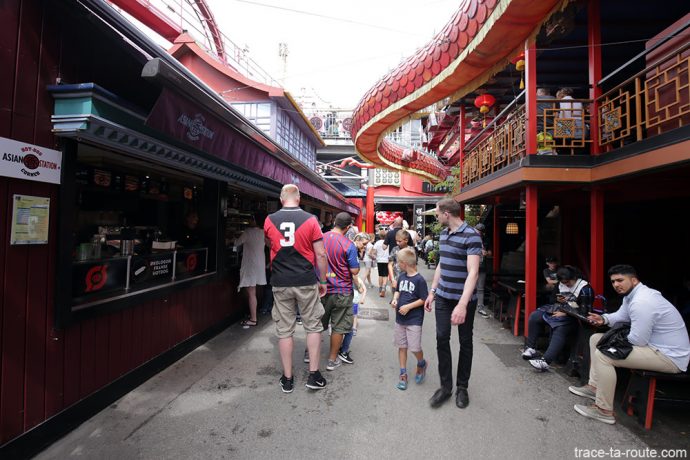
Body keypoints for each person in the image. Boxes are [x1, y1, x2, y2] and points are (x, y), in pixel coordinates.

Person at [569, 264, 690, 425]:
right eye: (613, 281)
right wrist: (604, 319)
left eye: (620, 280)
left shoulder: (642, 301)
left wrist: (612, 343)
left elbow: (638, 340)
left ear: (634, 280)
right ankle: (594, 387)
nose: (616, 285)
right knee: (596, 339)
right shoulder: (632, 295)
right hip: (653, 347)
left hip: (669, 357)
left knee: (604, 355)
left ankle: (603, 410)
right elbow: (621, 316)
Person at [264, 184, 329, 393]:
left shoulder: (269, 220)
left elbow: (270, 243)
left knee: (284, 331)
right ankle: (313, 375)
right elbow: (321, 254)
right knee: (313, 326)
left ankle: (287, 378)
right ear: (299, 198)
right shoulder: (310, 220)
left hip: (280, 281)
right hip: (306, 280)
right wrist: (323, 280)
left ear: (281, 199)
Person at [424, 198, 482, 409]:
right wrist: (433, 291)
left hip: (464, 300)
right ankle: (445, 387)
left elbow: (473, 272)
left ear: (447, 214)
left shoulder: (472, 235)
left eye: (438, 213)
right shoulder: (444, 234)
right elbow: (442, 263)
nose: (437, 217)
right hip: (443, 297)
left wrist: (462, 304)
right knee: (442, 338)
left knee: (465, 342)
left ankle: (462, 387)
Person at [522, 265, 595, 371]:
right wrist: (558, 301)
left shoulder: (585, 288)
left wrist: (566, 313)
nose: (566, 284)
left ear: (574, 277)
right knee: (535, 316)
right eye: (563, 282)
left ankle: (545, 361)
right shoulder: (560, 284)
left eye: (568, 282)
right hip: (559, 309)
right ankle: (530, 348)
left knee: (560, 327)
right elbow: (552, 300)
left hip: (574, 317)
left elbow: (585, 311)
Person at [322, 212, 360, 371]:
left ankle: (309, 353)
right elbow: (355, 270)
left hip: (321, 288)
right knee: (338, 326)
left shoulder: (320, 238)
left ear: (334, 222)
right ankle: (332, 360)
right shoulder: (348, 244)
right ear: (348, 227)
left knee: (316, 323)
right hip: (342, 290)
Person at [391, 247, 428, 390]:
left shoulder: (420, 280)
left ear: (404, 263)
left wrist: (408, 306)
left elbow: (423, 299)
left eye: (398, 262)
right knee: (402, 346)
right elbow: (398, 291)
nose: (397, 264)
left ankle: (421, 363)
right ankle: (403, 373)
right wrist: (395, 299)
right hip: (400, 319)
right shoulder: (402, 276)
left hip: (414, 319)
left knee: (414, 347)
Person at [234, 214, 267, 328]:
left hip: (250, 265)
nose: (249, 221)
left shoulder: (248, 232)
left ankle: (253, 319)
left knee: (251, 293)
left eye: (251, 219)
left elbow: (237, 243)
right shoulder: (263, 232)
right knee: (253, 291)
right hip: (260, 265)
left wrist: (231, 238)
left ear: (254, 220)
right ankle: (253, 315)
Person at [339, 275, 366, 364]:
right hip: (350, 301)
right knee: (348, 330)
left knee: (338, 327)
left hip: (338, 299)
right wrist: (358, 286)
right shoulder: (354, 277)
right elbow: (361, 290)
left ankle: (336, 351)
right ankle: (343, 351)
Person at [474, 223, 492, 319]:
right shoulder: (471, 238)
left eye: (480, 232)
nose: (479, 233)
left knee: (480, 288)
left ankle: (480, 307)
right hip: (472, 266)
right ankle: (469, 305)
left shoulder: (486, 240)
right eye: (477, 231)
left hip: (482, 266)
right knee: (470, 286)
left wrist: (486, 253)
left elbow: (490, 252)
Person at [536, 87, 556, 155]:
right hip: (552, 127)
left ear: (541, 92)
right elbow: (557, 113)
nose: (536, 94)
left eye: (537, 92)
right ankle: (552, 151)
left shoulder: (535, 98)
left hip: (538, 126)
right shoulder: (554, 98)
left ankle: (540, 151)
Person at [374, 229, 390, 297]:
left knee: (380, 275)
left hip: (379, 260)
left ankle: (380, 288)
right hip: (387, 260)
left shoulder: (377, 243)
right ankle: (384, 287)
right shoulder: (388, 242)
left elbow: (374, 252)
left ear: (379, 236)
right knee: (385, 275)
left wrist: (375, 256)